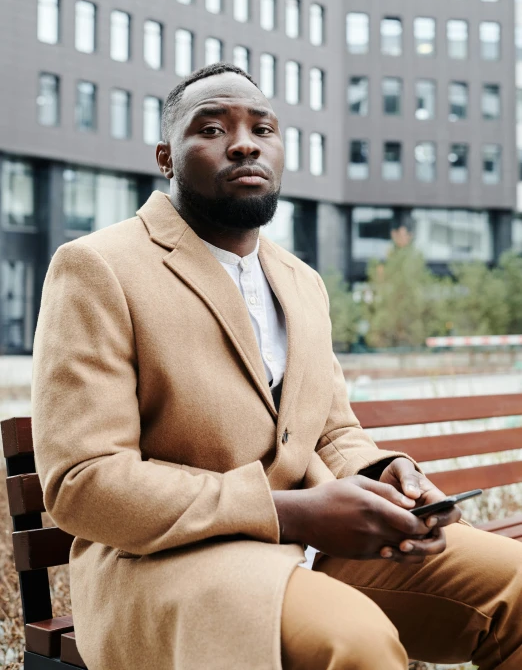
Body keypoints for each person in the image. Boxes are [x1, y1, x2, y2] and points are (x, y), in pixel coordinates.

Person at [33, 63, 522, 670]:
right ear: (166, 156)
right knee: (354, 642)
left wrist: (387, 474)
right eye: (211, 128)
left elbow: (333, 430)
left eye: (263, 128)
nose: (243, 142)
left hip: (314, 544)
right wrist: (288, 511)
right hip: (164, 564)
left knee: (518, 587)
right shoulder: (96, 267)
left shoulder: (301, 281)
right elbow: (84, 484)